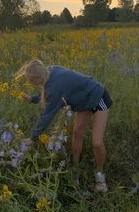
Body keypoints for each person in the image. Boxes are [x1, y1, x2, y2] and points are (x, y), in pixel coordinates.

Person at [15, 59, 113, 193]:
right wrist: (33, 99)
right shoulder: (50, 70)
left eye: (30, 80)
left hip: (98, 97)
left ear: (37, 78)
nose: (28, 82)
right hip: (85, 100)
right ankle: (75, 168)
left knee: (97, 142)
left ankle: (100, 175)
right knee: (77, 133)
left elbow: (47, 115)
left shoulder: (54, 86)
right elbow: (50, 93)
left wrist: (33, 138)